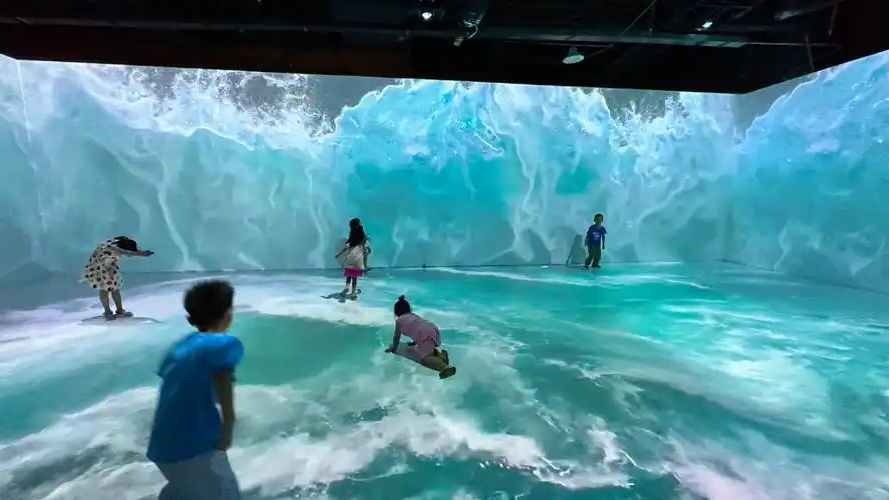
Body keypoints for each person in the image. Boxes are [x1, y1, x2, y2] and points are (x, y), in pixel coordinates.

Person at [146, 280, 243, 500]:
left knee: (183, 488)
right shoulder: (223, 344)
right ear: (228, 314)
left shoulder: (180, 348)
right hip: (194, 446)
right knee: (224, 493)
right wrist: (228, 426)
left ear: (190, 319)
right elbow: (222, 383)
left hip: (162, 446)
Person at [82, 236, 154, 320]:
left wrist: (139, 252)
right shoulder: (114, 248)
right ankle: (107, 311)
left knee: (114, 288)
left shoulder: (114, 243)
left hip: (108, 265)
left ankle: (119, 310)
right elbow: (124, 252)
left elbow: (124, 251)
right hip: (99, 269)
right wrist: (140, 254)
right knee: (104, 289)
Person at [385, 295, 453, 377]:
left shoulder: (399, 321)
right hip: (432, 328)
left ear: (396, 312)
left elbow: (396, 337)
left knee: (424, 358)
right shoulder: (413, 315)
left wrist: (393, 349)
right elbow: (417, 328)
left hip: (425, 333)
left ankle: (444, 367)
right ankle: (441, 356)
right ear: (409, 309)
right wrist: (414, 343)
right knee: (427, 348)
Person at [334, 218, 368, 300]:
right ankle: (352, 292)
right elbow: (363, 243)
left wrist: (339, 254)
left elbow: (348, 245)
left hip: (353, 256)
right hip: (356, 256)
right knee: (353, 276)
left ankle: (348, 290)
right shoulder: (360, 236)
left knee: (350, 275)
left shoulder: (355, 237)